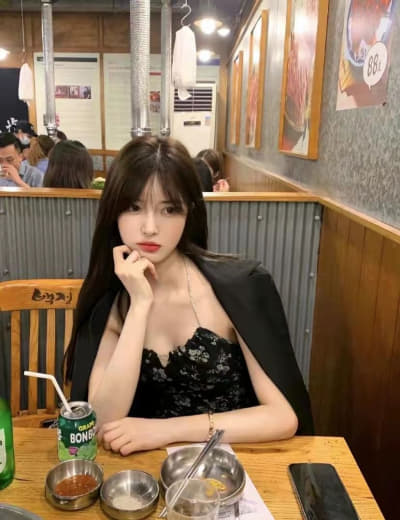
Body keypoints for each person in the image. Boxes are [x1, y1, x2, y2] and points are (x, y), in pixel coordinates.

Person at [65, 136, 313, 456]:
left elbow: (283, 417)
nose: (150, 227)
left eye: (169, 209)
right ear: (114, 212)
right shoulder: (111, 301)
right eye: (134, 207)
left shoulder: (242, 286)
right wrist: (140, 305)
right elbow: (102, 423)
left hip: (234, 465)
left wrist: (166, 431)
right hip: (146, 472)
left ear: (189, 212)